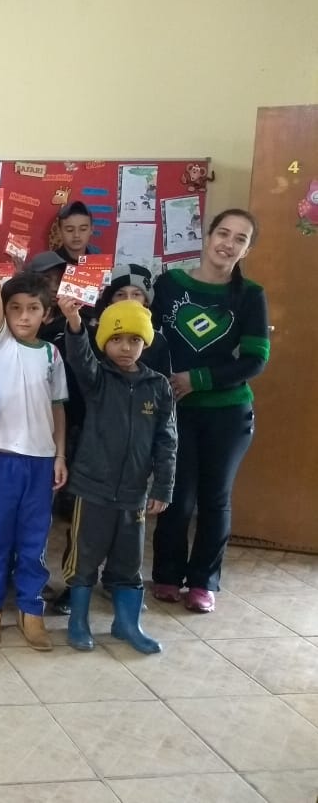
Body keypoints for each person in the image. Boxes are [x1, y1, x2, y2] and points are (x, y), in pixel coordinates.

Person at [150, 209, 269, 613]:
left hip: (228, 414)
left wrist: (195, 379)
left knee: (215, 499)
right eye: (223, 233)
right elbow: (148, 339)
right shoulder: (169, 284)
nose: (228, 244)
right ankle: (167, 575)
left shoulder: (250, 295)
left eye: (240, 239)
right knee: (176, 497)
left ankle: (203, 582)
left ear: (247, 249)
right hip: (176, 411)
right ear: (208, 235)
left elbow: (255, 359)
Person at [58, 296, 176, 654]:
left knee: (128, 562)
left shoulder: (158, 386)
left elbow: (167, 440)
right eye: (117, 339)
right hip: (92, 490)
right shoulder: (98, 378)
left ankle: (127, 624)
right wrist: (74, 321)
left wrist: (163, 486)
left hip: (134, 493)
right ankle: (78, 622)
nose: (126, 348)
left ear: (145, 343)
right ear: (105, 342)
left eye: (134, 340)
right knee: (84, 559)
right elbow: (80, 357)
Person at [0, 219, 68, 650]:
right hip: (2, 456)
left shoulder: (51, 354)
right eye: (15, 309)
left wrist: (60, 455)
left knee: (33, 539)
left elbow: (58, 408)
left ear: (47, 314)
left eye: (33, 309)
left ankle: (31, 609)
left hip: (41, 460)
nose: (23, 316)